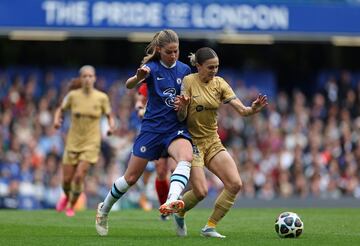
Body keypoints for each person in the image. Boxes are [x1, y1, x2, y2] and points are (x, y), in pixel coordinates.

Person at [95, 29, 193, 236]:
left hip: (175, 128)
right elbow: (129, 84)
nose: (174, 55)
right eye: (169, 52)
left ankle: (172, 202)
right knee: (130, 178)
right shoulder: (152, 67)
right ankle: (103, 210)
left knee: (185, 157)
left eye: (176, 51)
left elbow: (185, 108)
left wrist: (184, 104)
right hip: (152, 130)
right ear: (159, 50)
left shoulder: (185, 71)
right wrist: (138, 77)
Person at [173, 47, 268, 238]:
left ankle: (210, 227)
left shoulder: (220, 84)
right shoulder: (188, 81)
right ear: (198, 66)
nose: (214, 70)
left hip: (213, 141)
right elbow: (181, 116)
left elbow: (242, 111)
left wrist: (253, 109)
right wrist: (182, 107)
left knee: (235, 184)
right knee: (200, 192)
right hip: (192, 142)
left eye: (216, 67)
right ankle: (179, 212)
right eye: (210, 67)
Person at [54, 66, 115, 217]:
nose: (88, 79)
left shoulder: (101, 97)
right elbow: (60, 110)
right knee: (67, 179)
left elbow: (109, 116)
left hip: (91, 143)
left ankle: (71, 206)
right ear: (81, 79)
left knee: (79, 175)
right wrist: (57, 120)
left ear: (94, 78)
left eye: (90, 76)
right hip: (73, 142)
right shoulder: (73, 96)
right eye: (85, 76)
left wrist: (111, 128)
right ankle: (67, 197)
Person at [135, 83, 177, 220]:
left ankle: (175, 199)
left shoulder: (173, 77)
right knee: (160, 172)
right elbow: (139, 101)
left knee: (174, 169)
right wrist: (140, 109)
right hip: (157, 132)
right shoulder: (147, 84)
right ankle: (165, 208)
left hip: (173, 130)